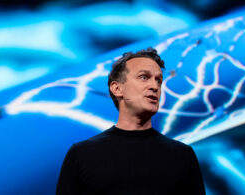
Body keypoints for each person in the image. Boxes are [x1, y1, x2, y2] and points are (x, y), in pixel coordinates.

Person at [56, 47, 206, 195]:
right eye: (144, 77)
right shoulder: (82, 155)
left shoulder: (182, 155)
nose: (154, 86)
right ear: (117, 88)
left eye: (158, 81)